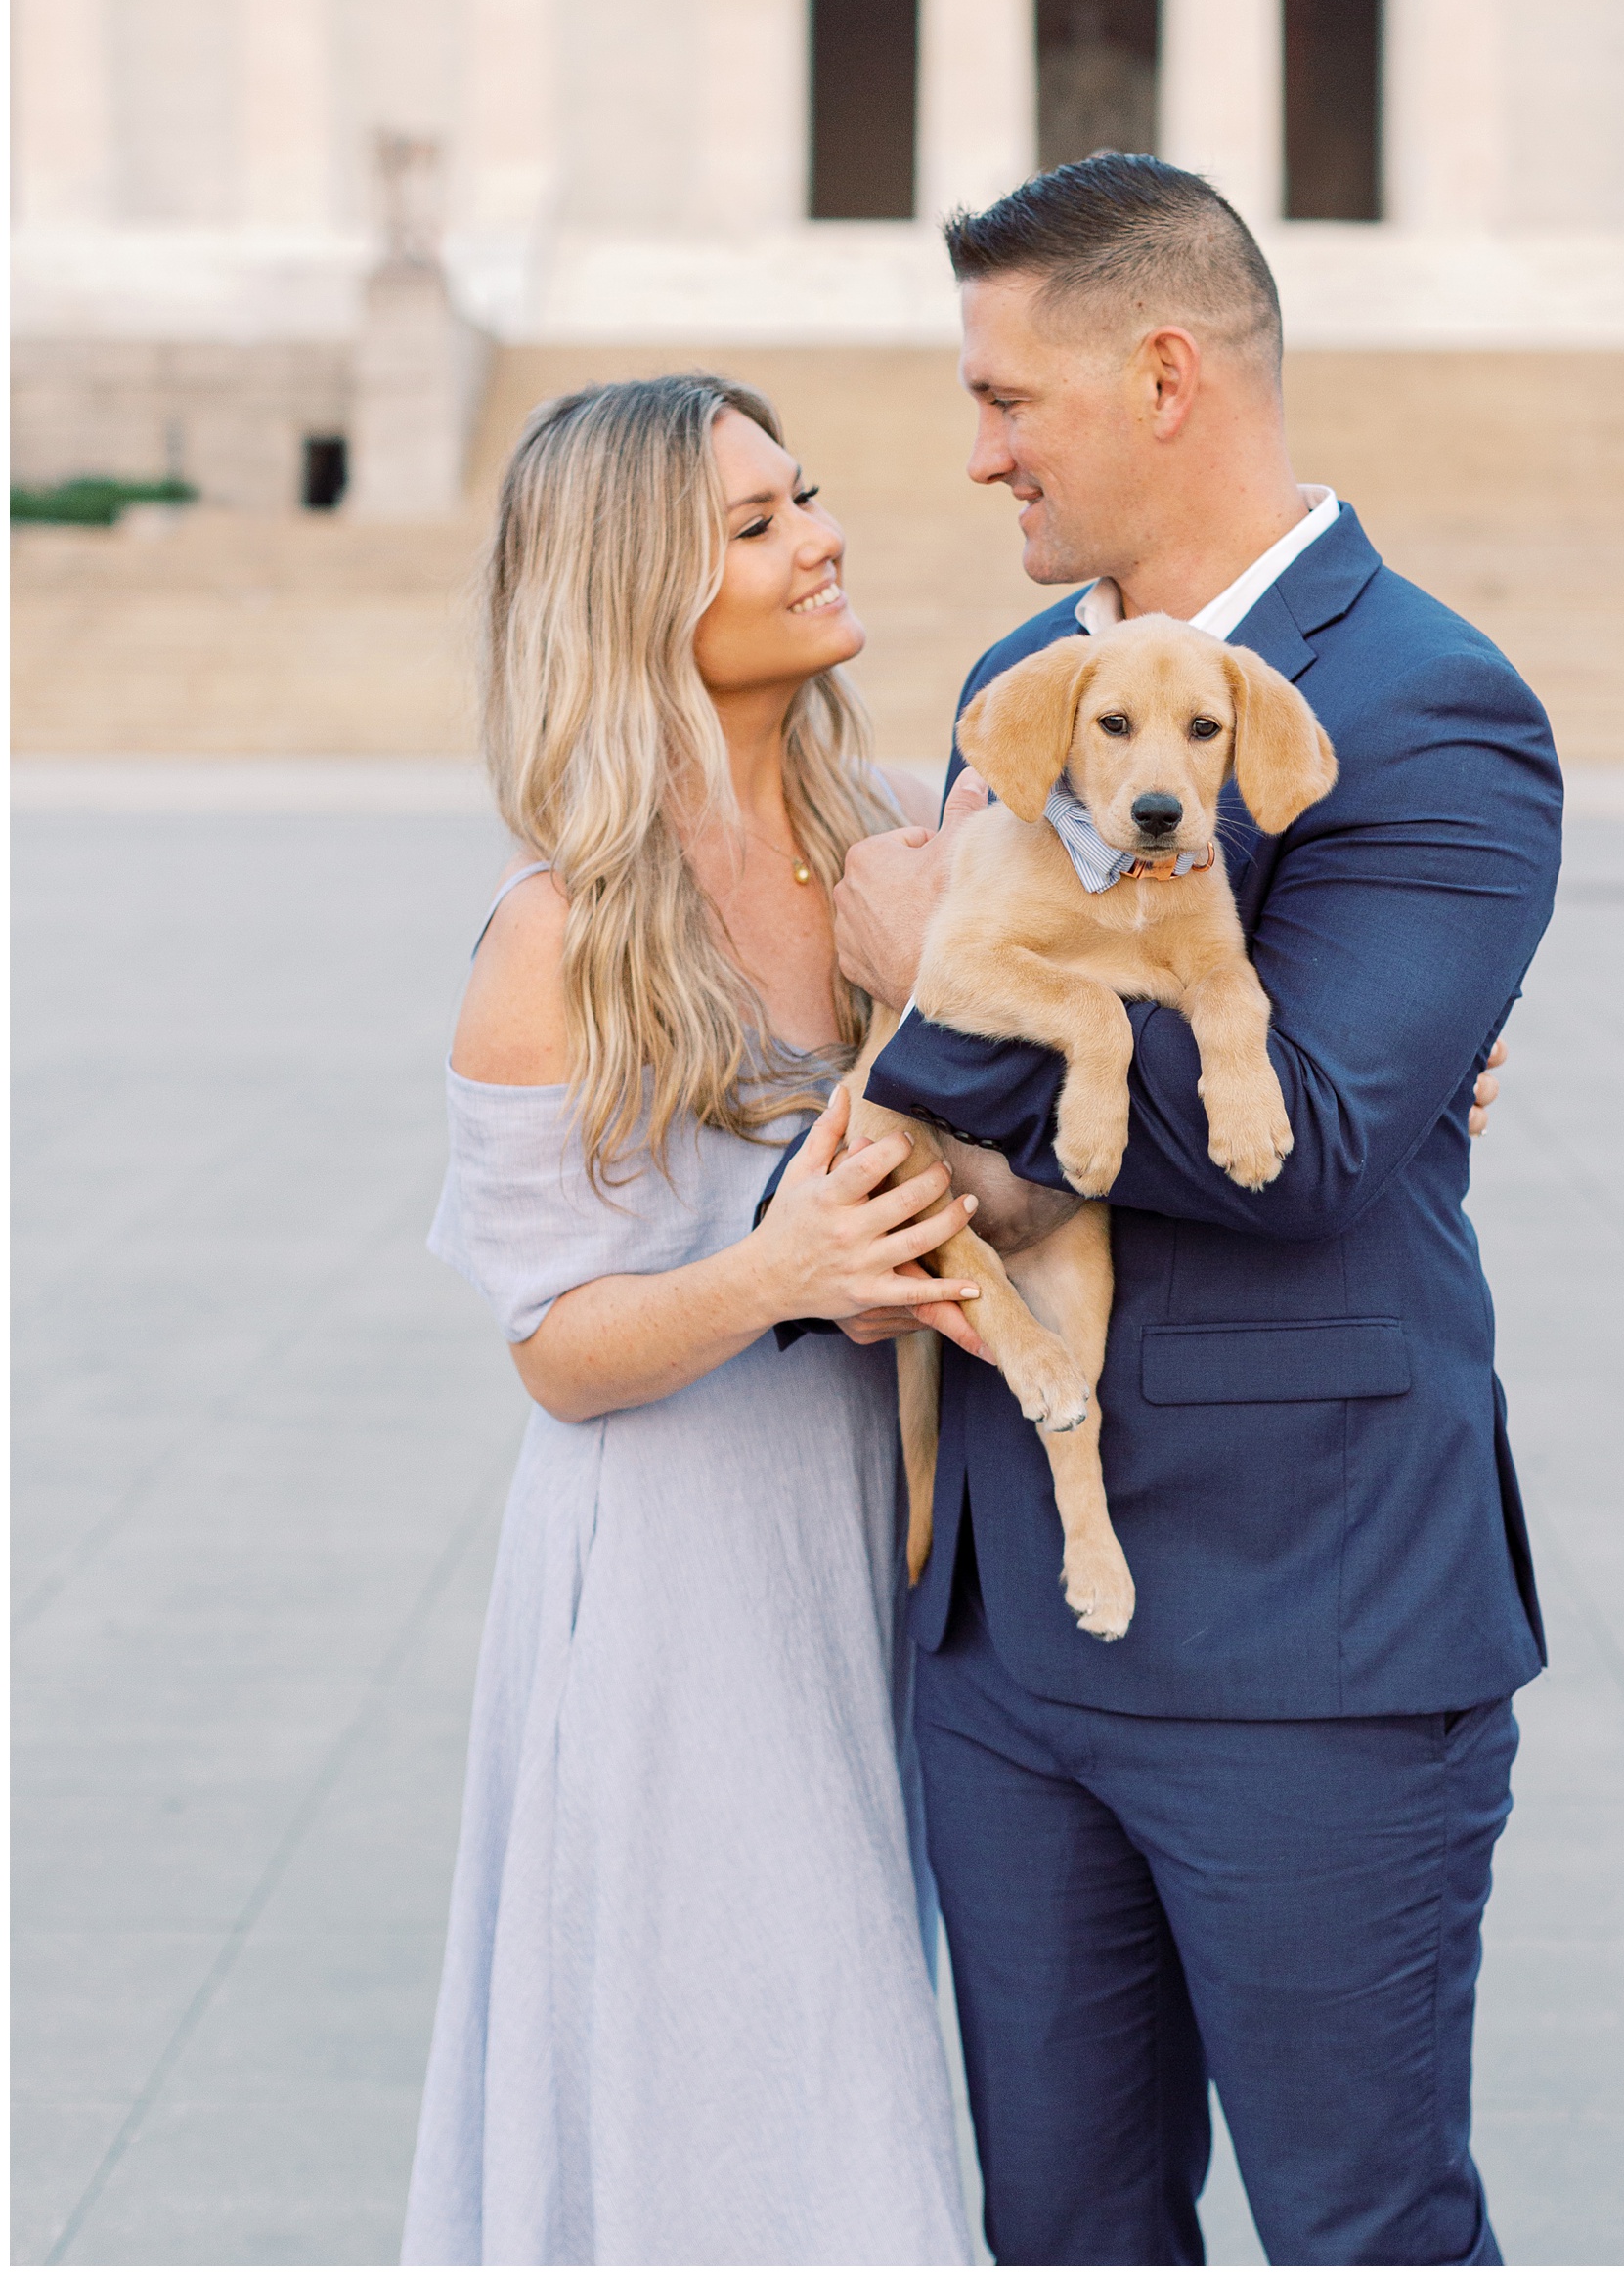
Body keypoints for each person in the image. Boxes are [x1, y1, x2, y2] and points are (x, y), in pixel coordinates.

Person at [829, 156, 1561, 2266]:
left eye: (1006, 403)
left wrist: (936, 992)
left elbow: (1314, 1133)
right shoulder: (1016, 677)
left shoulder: (1431, 702)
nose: (974, 458)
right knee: (1057, 2232)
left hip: (1308, 1632)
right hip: (1009, 1629)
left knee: (1359, 2231)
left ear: (1162, 376)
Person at [400, 372, 982, 2266]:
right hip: (671, 1588)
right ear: (636, 587)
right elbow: (556, 1352)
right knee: (761, 2098)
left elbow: (1113, 1008)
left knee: (853, 2068)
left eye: (800, 495)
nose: (818, 535)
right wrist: (778, 1273)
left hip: (892, 1546)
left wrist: (1401, 1069)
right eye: (752, 523)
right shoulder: (558, 933)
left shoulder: (902, 836)